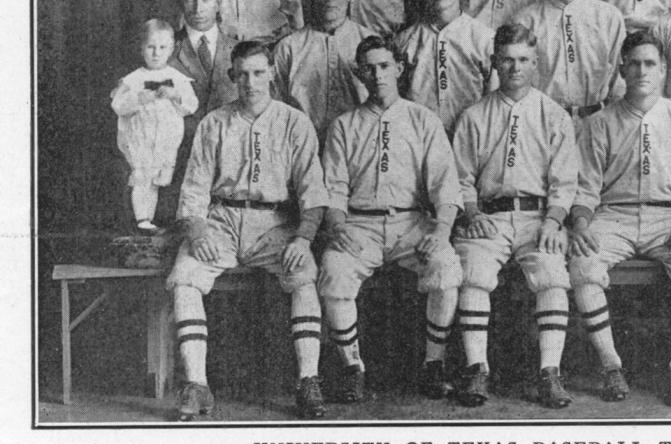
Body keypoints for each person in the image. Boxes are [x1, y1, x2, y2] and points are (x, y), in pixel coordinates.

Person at [166, 41, 328, 421]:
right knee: (185, 276)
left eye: (258, 72)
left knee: (303, 275)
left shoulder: (294, 121)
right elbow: (194, 188)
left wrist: (303, 239)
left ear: (271, 72)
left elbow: (314, 192)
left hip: (275, 223)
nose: (251, 82)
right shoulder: (215, 122)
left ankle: (309, 381)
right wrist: (198, 230)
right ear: (232, 77)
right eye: (243, 74)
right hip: (221, 220)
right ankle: (197, 385)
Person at [568, 32, 671, 405]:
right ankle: (611, 364)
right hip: (613, 215)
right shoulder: (600, 122)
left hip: (666, 218)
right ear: (622, 69)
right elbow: (586, 187)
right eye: (634, 63)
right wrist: (582, 224)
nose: (642, 71)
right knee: (582, 262)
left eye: (650, 63)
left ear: (663, 70)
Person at [318, 35, 463, 403]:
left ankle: (434, 364)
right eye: (369, 67)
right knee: (334, 270)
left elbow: (446, 186)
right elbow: (333, 188)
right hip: (359, 224)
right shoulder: (344, 125)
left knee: (446, 268)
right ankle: (353, 368)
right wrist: (337, 226)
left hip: (410, 223)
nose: (377, 74)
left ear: (399, 69)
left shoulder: (422, 120)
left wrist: (442, 231)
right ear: (359, 73)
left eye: (385, 66)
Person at [450, 24, 578, 408]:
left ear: (535, 63)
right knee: (473, 273)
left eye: (523, 60)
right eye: (507, 59)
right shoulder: (474, 115)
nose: (515, 67)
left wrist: (554, 221)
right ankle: (478, 370)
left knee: (553, 273)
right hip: (488, 217)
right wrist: (471, 213)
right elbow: (460, 178)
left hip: (537, 217)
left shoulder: (553, 114)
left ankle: (550, 372)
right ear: (494, 62)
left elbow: (564, 181)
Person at [512, 0, 626, 124]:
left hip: (596, 121)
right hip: (542, 122)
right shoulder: (525, 20)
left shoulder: (609, 17)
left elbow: (620, 84)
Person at [274, 0, 375, 144]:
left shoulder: (370, 43)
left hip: (359, 144)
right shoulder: (288, 47)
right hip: (303, 145)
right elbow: (276, 106)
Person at [395, 0, 497, 137]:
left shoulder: (484, 39)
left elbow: (494, 100)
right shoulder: (405, 40)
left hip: (470, 137)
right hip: (419, 137)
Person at [111, 19, 199, 231]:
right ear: (142, 49)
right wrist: (138, 99)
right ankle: (142, 219)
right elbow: (118, 105)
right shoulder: (133, 79)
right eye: (151, 47)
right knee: (143, 176)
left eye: (162, 48)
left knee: (161, 177)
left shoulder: (177, 79)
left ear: (171, 49)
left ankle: (161, 219)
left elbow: (191, 105)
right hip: (141, 137)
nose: (156, 53)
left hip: (166, 139)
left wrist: (176, 95)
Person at [171, 0, 239, 120]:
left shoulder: (240, 51)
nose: (198, 9)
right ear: (180, 3)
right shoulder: (163, 51)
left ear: (218, 3)